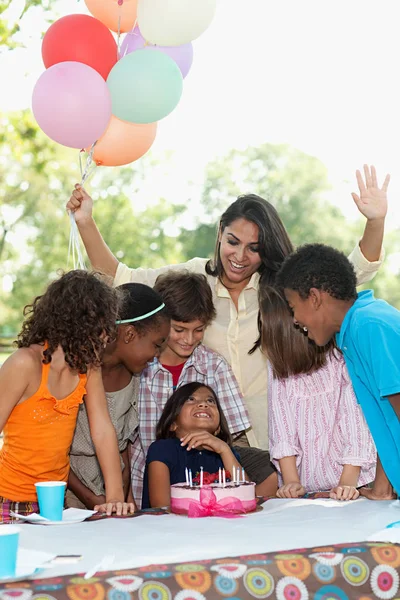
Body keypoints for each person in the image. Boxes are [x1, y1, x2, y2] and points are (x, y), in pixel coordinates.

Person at [66, 165, 387, 455]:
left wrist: (375, 221)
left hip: (281, 437)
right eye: (233, 241)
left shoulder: (280, 287)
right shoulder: (193, 277)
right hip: (214, 436)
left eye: (254, 248)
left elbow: (351, 274)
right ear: (220, 232)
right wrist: (86, 222)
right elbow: (122, 279)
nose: (240, 256)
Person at [0, 270, 135, 523]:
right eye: (102, 327)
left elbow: (103, 429)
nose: (107, 337)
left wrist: (115, 495)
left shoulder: (88, 367)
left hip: (53, 504)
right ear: (78, 323)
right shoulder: (24, 364)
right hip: (7, 500)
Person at [275, 240, 400, 501]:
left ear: (315, 298)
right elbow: (385, 417)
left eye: (293, 307)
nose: (295, 320)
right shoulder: (352, 334)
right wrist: (382, 487)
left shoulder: (370, 326)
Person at [130, 270, 252, 506]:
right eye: (179, 330)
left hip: (207, 499)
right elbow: (123, 444)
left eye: (198, 330)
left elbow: (235, 438)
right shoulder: (138, 367)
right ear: (161, 322)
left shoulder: (214, 367)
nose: (189, 339)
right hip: (144, 498)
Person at [256, 286, 376, 500]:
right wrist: (292, 482)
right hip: (307, 486)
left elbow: (355, 423)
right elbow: (281, 427)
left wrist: (347, 484)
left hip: (355, 481)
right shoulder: (278, 366)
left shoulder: (339, 356)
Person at [66, 283, 170, 510]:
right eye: (156, 345)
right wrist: (89, 498)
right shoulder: (76, 371)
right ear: (130, 334)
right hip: (69, 494)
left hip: (113, 496)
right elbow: (56, 451)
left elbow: (121, 445)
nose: (156, 356)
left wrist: (123, 496)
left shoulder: (135, 377)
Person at [142, 382, 248, 509]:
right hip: (172, 526)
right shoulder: (162, 449)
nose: (204, 404)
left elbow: (246, 498)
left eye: (210, 401)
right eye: (191, 399)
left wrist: (224, 450)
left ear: (218, 428)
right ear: (172, 424)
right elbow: (161, 506)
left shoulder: (226, 453)